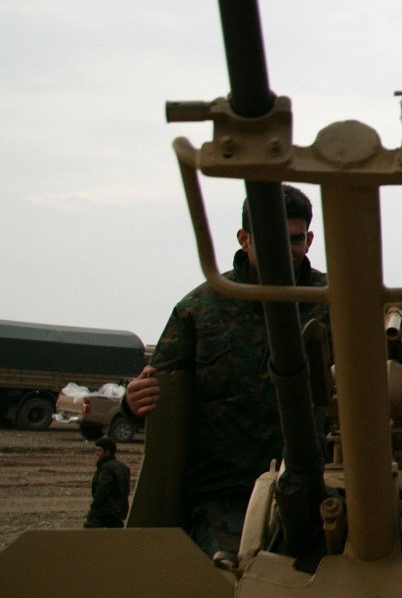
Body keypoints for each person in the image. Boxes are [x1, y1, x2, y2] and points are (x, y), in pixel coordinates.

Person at [124, 183, 326, 557]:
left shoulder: (334, 301)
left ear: (309, 240)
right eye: (270, 239)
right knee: (225, 584)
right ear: (245, 239)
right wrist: (131, 404)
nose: (284, 251)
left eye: (295, 239)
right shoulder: (201, 308)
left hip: (321, 491)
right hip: (225, 497)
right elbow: (161, 385)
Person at [82, 436, 131, 529]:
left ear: (107, 452)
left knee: (91, 531)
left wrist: (93, 508)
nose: (96, 453)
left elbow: (102, 491)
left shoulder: (106, 468)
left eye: (99, 450)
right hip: (119, 510)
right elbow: (126, 490)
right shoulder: (123, 467)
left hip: (106, 511)